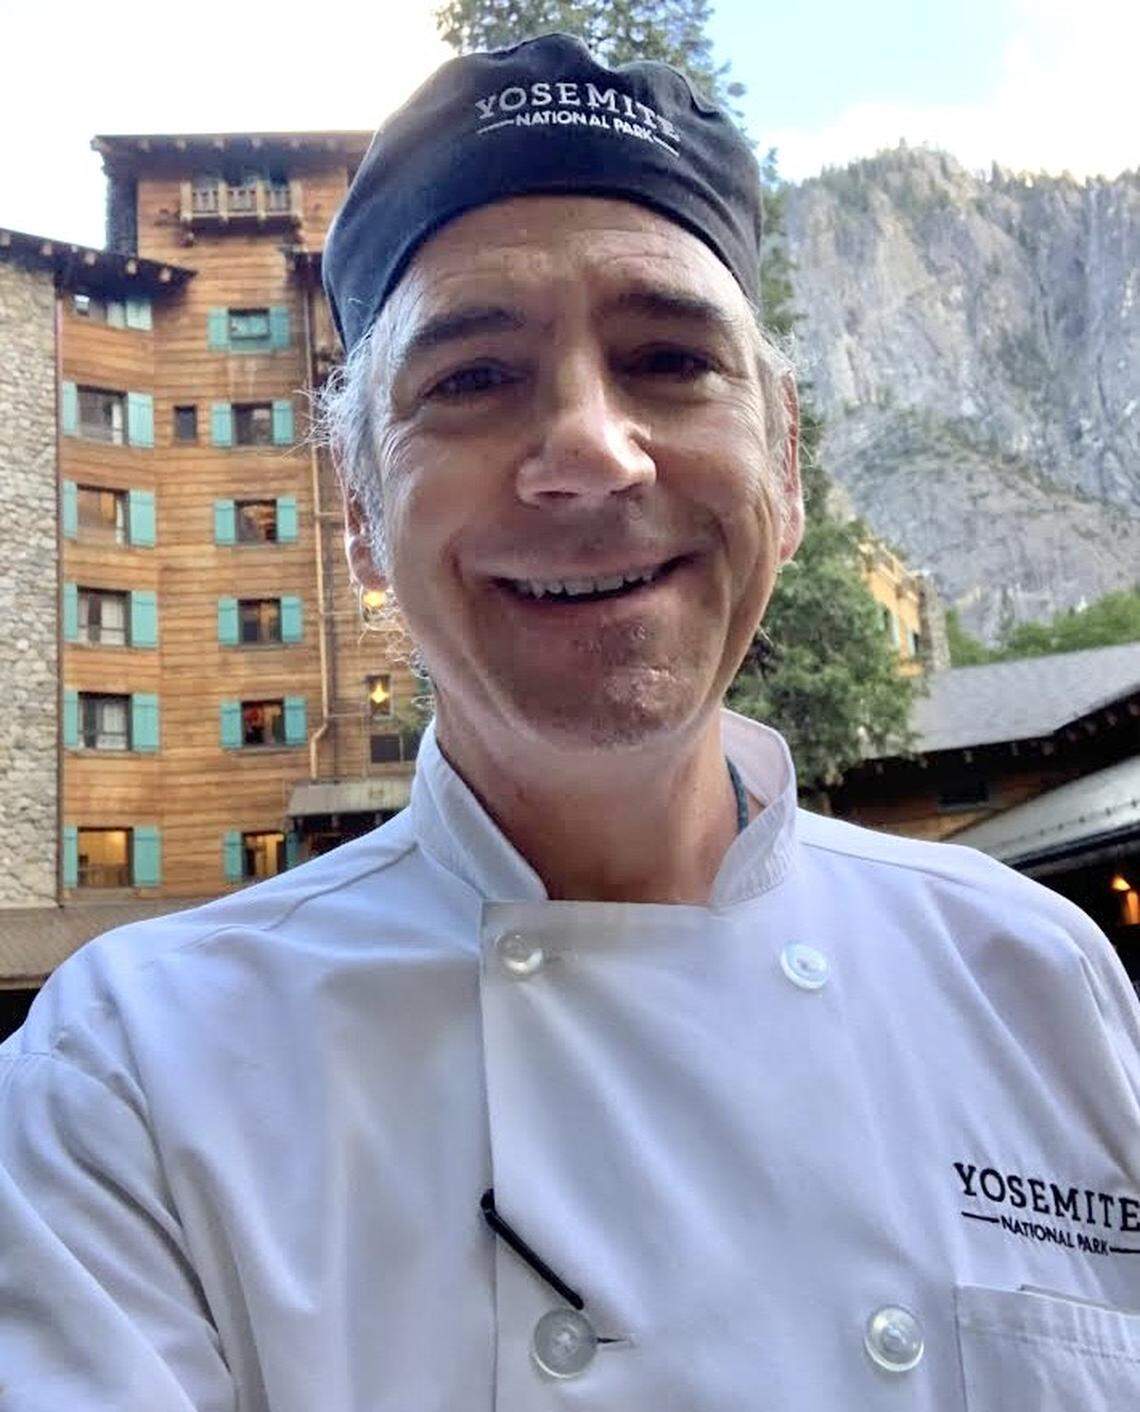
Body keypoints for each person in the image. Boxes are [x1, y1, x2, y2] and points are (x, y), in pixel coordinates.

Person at [3, 33, 1140, 1411]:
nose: (593, 452)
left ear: (782, 462)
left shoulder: (1039, 982)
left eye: (669, 358)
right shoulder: (130, 1080)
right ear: (360, 511)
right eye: (472, 380)